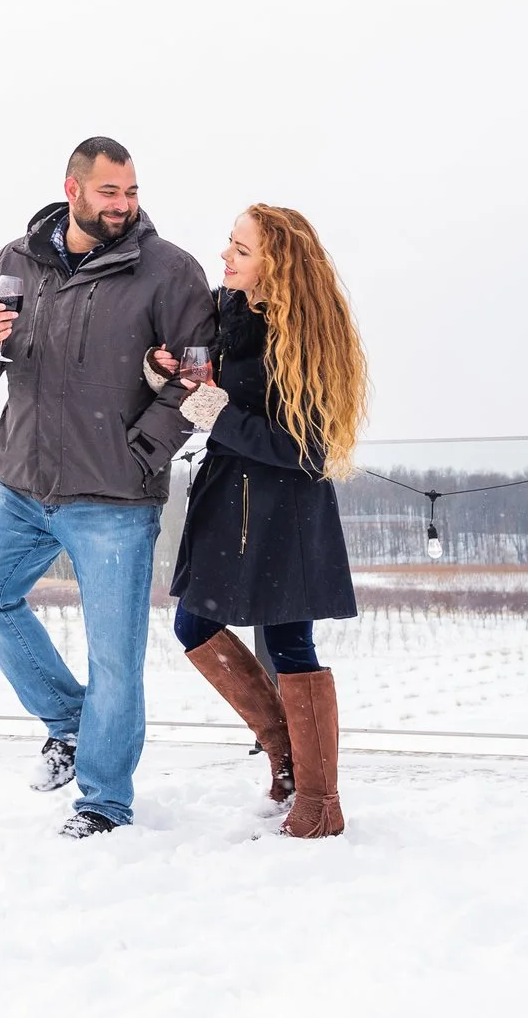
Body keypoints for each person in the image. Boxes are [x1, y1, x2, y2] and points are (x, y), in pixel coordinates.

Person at [0, 137, 216, 839]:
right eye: (109, 193)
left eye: (130, 192)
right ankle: (69, 721)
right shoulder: (16, 260)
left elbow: (203, 389)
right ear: (73, 189)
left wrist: (142, 453)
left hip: (115, 499)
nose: (125, 205)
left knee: (115, 657)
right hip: (21, 483)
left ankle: (104, 799)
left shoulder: (171, 272)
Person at [155, 203, 369, 839]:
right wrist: (173, 375)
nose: (225, 256)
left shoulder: (306, 335)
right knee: (193, 624)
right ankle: (286, 759)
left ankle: (320, 801)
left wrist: (214, 411)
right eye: (230, 243)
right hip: (227, 499)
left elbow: (309, 448)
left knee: (289, 643)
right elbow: (215, 386)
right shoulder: (231, 312)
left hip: (283, 513)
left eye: (241, 250)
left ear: (278, 263)